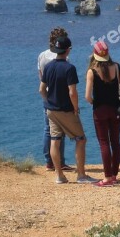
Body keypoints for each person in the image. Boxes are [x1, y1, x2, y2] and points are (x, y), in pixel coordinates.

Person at [39, 35, 98, 184]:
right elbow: (72, 92)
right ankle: (81, 176)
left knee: (55, 140)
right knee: (81, 139)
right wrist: (76, 108)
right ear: (68, 50)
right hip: (65, 110)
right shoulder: (69, 68)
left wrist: (48, 102)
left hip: (50, 110)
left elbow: (41, 89)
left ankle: (59, 176)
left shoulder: (48, 67)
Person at [85, 41, 120, 187]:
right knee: (115, 142)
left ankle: (107, 178)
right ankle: (114, 175)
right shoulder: (116, 67)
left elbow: (87, 96)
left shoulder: (92, 71)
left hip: (99, 111)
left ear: (95, 54)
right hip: (116, 109)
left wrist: (93, 102)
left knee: (104, 143)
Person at [37, 27, 72, 172]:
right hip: (61, 97)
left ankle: (49, 161)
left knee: (48, 130)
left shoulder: (42, 56)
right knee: (60, 131)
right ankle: (61, 161)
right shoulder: (64, 58)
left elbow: (41, 78)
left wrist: (45, 97)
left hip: (47, 96)